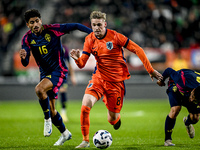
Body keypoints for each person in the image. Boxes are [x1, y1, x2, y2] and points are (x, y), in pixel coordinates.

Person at [70, 11, 163, 148]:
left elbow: (138, 49)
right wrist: (77, 59)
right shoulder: (89, 39)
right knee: (85, 105)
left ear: (105, 24)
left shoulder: (115, 37)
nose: (96, 28)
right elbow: (82, 63)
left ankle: (116, 119)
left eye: (99, 25)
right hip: (99, 78)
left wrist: (150, 69)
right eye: (94, 25)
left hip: (115, 83)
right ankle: (85, 141)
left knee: (112, 119)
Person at [19, 9, 92, 146]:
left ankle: (46, 121)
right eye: (31, 22)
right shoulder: (27, 39)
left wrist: (92, 33)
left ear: (41, 20)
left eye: (37, 21)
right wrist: (23, 57)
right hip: (44, 74)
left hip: (58, 71)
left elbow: (76, 25)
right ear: (27, 25)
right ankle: (65, 134)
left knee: (39, 89)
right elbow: (25, 63)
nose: (35, 24)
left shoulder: (53, 29)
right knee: (52, 110)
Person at [157, 67, 200, 146]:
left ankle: (187, 123)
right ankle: (168, 140)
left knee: (195, 118)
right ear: (193, 91)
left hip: (188, 90)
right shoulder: (181, 81)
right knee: (175, 109)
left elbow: (194, 99)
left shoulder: (196, 94)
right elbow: (168, 70)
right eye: (192, 97)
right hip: (175, 85)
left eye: (194, 100)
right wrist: (161, 80)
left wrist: (194, 99)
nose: (191, 100)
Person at [59, 44, 76, 123]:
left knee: (63, 91)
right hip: (51, 73)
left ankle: (63, 113)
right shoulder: (49, 45)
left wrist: (72, 76)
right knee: (51, 94)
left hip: (62, 74)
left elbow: (69, 63)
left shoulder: (64, 48)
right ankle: (52, 113)